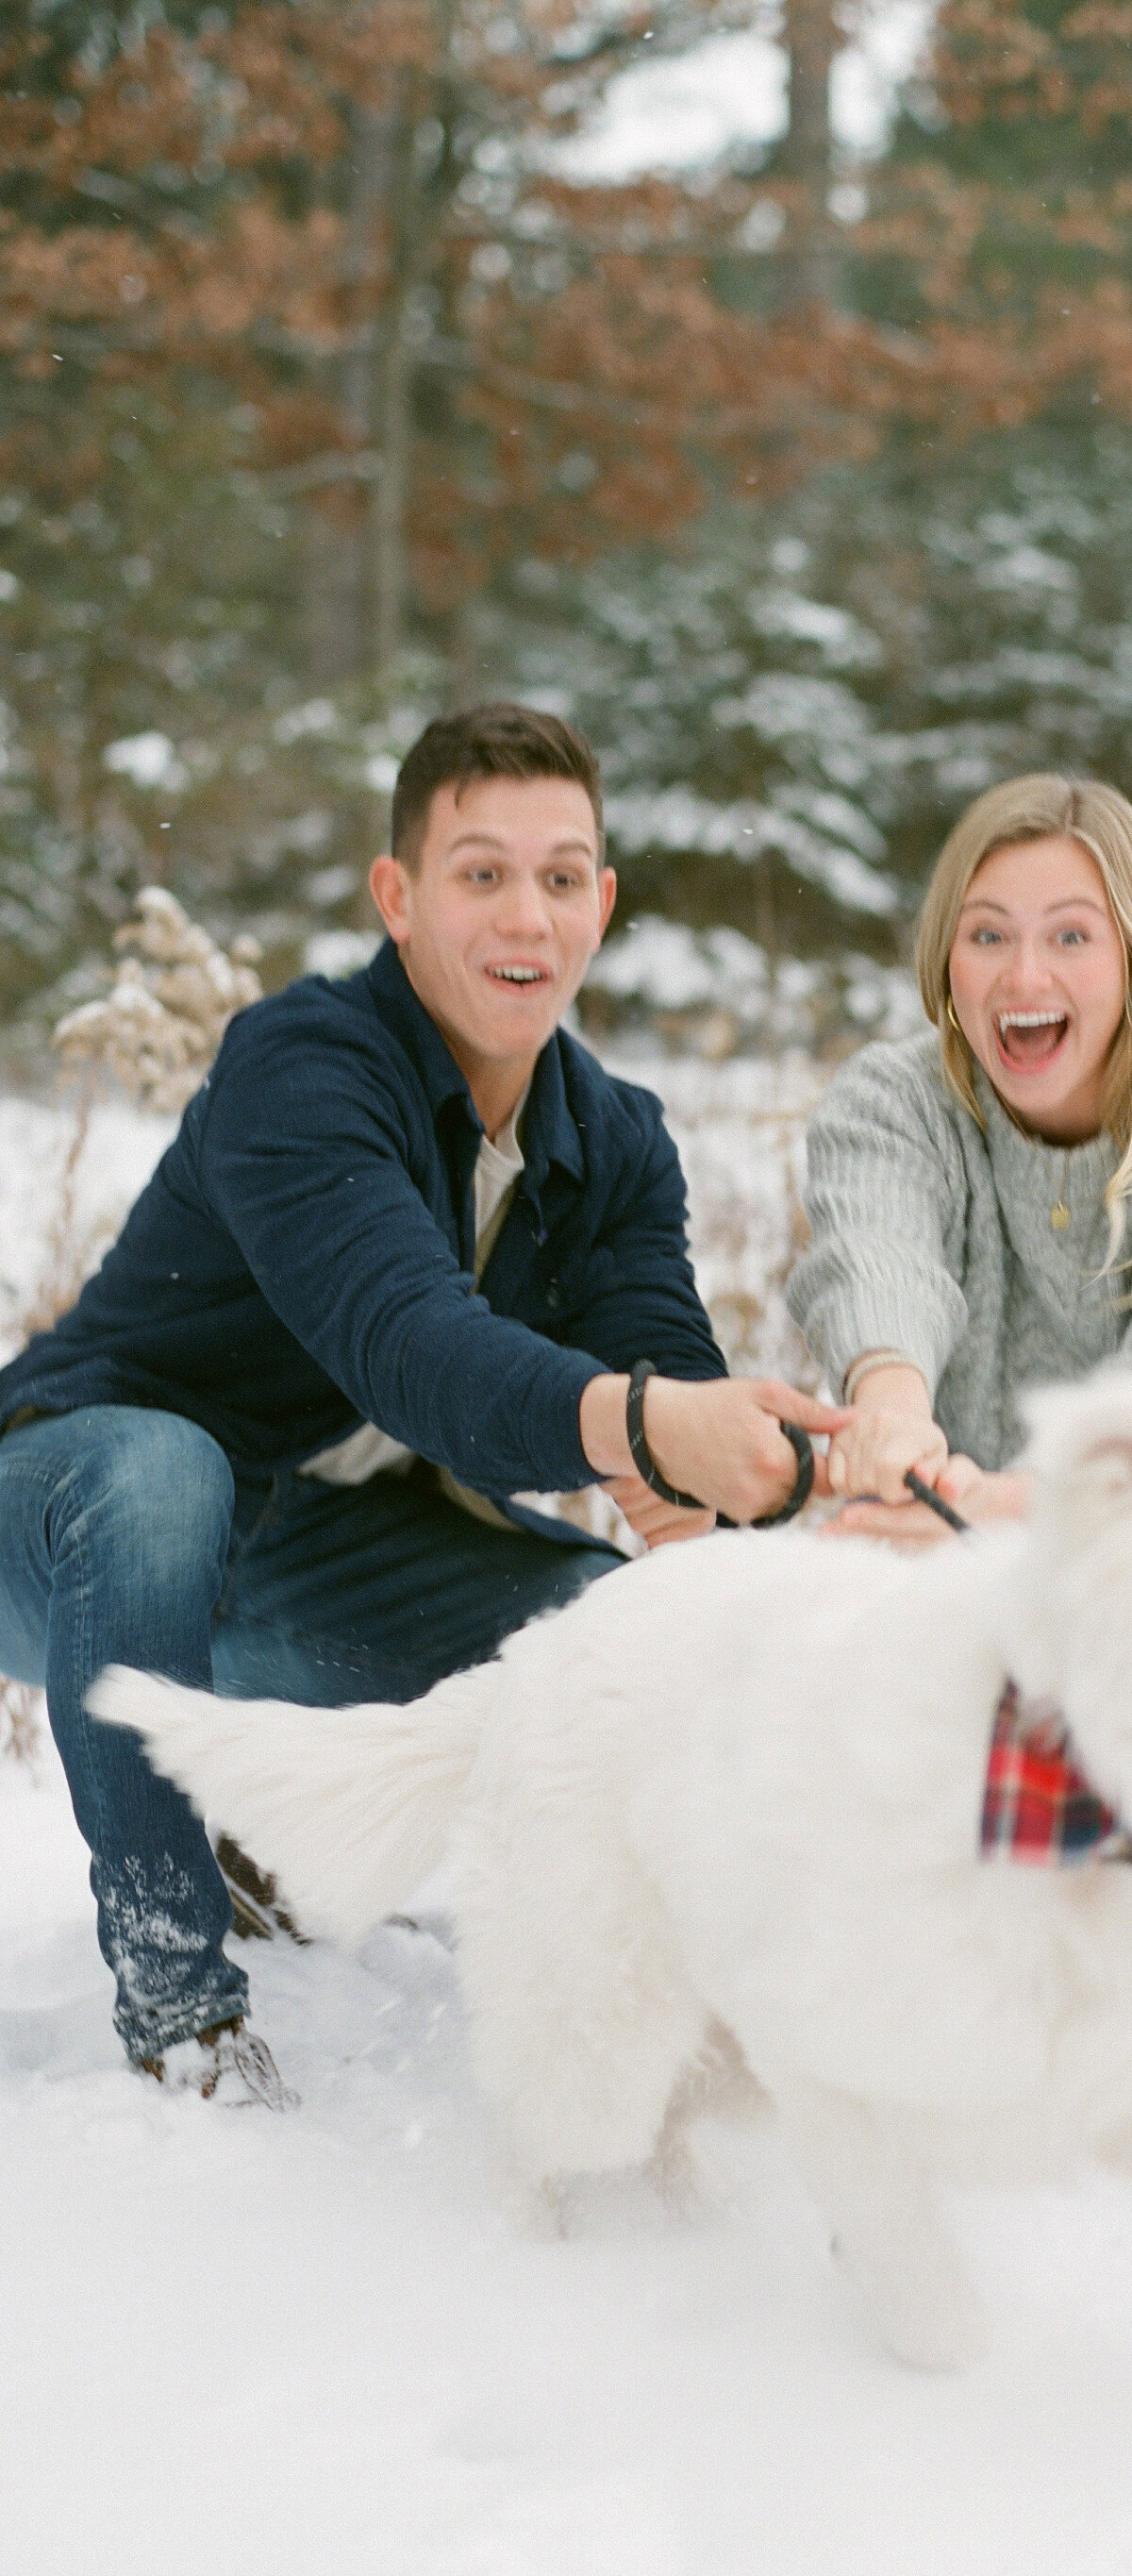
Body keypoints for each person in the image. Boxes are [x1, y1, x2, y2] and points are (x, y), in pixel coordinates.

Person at [0, 704, 843, 2095]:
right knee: (162, 1472)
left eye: (563, 877)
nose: (528, 916)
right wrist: (639, 1425)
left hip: (313, 1565)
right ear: (398, 896)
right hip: (70, 1530)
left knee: (603, 1636)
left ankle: (710, 1982)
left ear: (604, 903)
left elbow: (666, 1393)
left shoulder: (615, 1138)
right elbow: (411, 1344)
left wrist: (765, 1486)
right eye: (482, 872)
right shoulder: (304, 1062)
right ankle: (181, 2007)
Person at [787, 773, 1132, 1541]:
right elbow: (879, 1264)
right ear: (946, 957)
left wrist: (996, 1512)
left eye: (1071, 936)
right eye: (988, 935)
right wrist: (891, 1412)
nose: (1024, 977)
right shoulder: (891, 1104)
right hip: (917, 1569)